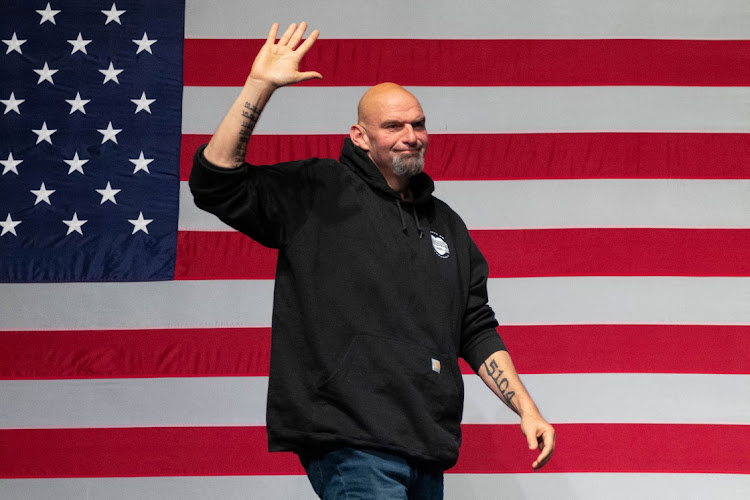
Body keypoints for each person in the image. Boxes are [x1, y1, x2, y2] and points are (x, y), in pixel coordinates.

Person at [189, 22, 555, 499]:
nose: (411, 136)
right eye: (393, 126)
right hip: (350, 441)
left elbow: (475, 326)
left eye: (418, 124)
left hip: (425, 444)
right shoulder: (319, 190)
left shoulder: (447, 225)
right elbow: (215, 184)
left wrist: (526, 408)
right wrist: (258, 87)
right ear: (360, 137)